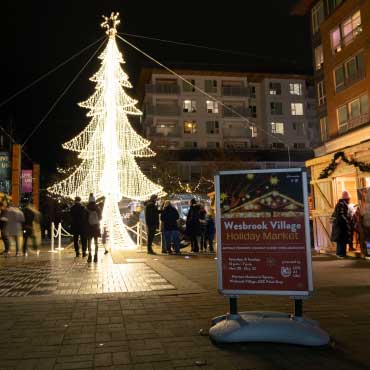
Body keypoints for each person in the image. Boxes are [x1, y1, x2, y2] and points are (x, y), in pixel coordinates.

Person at [332, 191, 352, 258]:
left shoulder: (341, 204)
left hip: (339, 225)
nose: (349, 200)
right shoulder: (342, 204)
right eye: (349, 198)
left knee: (341, 240)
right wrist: (347, 221)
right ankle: (340, 254)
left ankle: (341, 253)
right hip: (340, 225)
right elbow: (341, 215)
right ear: (346, 199)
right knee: (341, 240)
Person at [86, 194, 101, 263]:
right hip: (96, 227)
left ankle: (89, 256)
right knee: (96, 242)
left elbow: (84, 219)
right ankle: (96, 256)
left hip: (89, 227)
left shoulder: (86, 208)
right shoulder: (98, 208)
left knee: (89, 242)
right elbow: (100, 218)